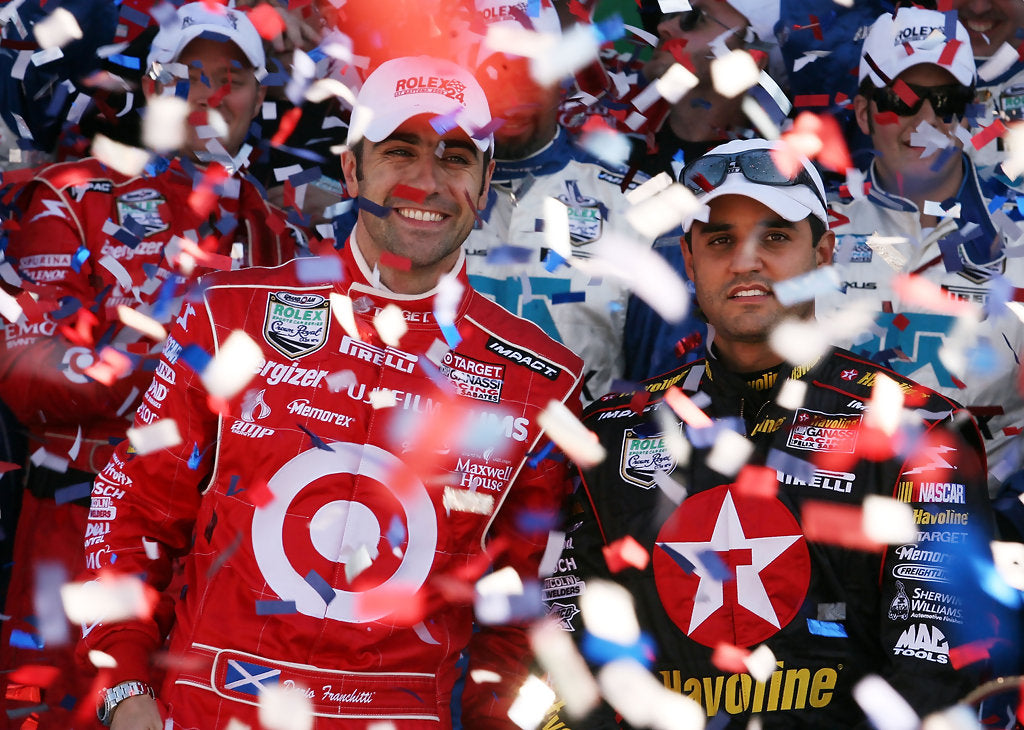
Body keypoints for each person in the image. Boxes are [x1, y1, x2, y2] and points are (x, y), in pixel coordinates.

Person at [77, 55, 584, 729]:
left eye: (456, 158)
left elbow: (526, 609)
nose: (427, 181)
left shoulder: (539, 379)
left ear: (486, 183)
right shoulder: (228, 316)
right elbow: (133, 509)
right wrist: (126, 691)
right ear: (352, 168)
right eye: (399, 150)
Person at [543, 138, 999, 727]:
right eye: (720, 239)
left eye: (776, 236)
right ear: (689, 260)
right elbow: (576, 655)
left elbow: (938, 664)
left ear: (824, 254)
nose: (745, 261)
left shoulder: (922, 431)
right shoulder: (610, 433)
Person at [0, 4, 303, 726]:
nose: (209, 92)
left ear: (258, 96)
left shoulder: (278, 227)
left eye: (231, 76)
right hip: (78, 520)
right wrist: (179, 370)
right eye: (187, 74)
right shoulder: (73, 193)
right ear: (155, 87)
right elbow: (25, 369)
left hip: (218, 546)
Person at [815, 7, 1024, 494]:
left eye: (945, 101)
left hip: (983, 525)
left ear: (969, 114)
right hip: (834, 520)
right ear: (864, 112)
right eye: (900, 100)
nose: (925, 120)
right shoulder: (809, 227)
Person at [460, 0, 654, 404]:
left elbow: (665, 375)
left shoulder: (636, 201)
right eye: (494, 73)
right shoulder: (421, 196)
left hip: (580, 455)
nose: (513, 94)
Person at [621, 0, 786, 382]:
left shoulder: (785, 181)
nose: (665, 28)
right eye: (661, 16)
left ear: (752, 53)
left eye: (692, 17)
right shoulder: (606, 156)